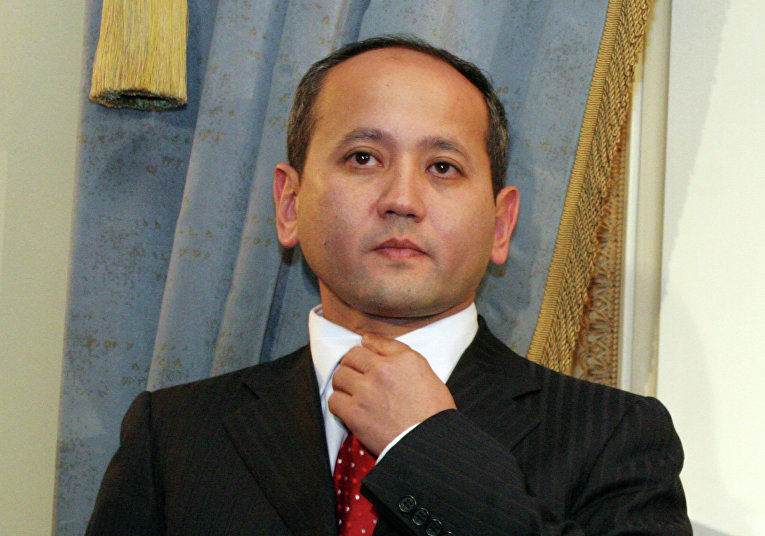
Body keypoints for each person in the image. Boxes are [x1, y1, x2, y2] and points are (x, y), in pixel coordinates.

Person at [86, 36, 691, 535]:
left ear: (501, 224)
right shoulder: (173, 434)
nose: (402, 199)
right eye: (363, 158)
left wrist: (426, 446)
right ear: (289, 204)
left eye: (443, 167)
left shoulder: (614, 434)